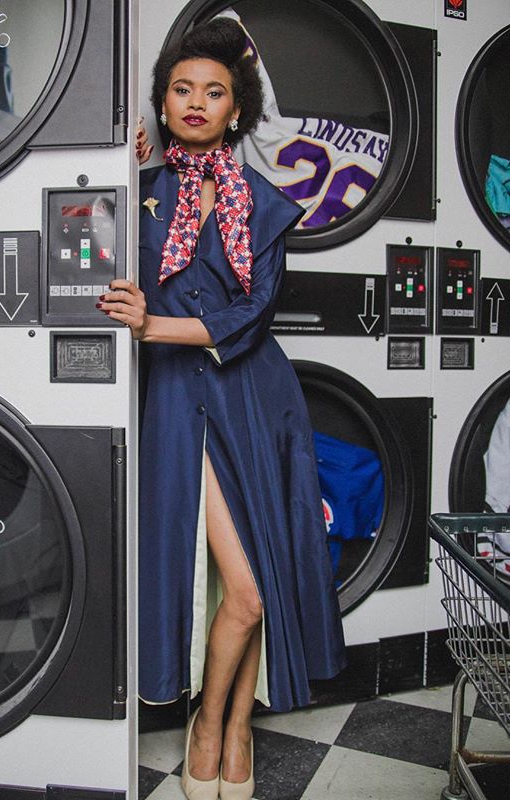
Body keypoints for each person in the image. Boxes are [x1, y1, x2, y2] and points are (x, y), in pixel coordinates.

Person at [99, 17, 346, 800]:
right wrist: (118, 170)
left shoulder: (266, 205)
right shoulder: (135, 192)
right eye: (182, 90)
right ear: (163, 105)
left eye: (215, 92)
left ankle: (230, 725)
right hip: (179, 397)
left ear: (236, 111)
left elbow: (254, 313)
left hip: (260, 397)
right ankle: (211, 722)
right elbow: (108, 280)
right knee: (240, 588)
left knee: (263, 576)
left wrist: (154, 324)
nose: (197, 102)